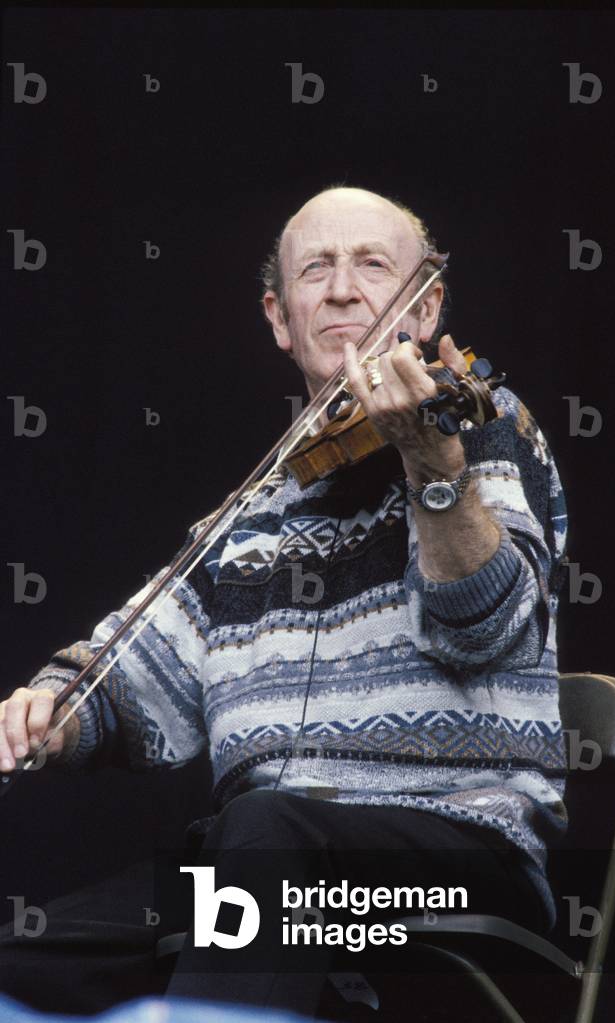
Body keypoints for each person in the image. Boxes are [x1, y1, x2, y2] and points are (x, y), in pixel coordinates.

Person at [0, 187, 569, 1018]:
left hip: (455, 864)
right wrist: (50, 708)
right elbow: (137, 672)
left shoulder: (479, 429)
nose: (343, 289)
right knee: (27, 957)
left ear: (429, 301)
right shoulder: (257, 508)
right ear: (279, 316)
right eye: (317, 270)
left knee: (267, 827)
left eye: (373, 265)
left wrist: (431, 469)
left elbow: (487, 628)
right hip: (260, 863)